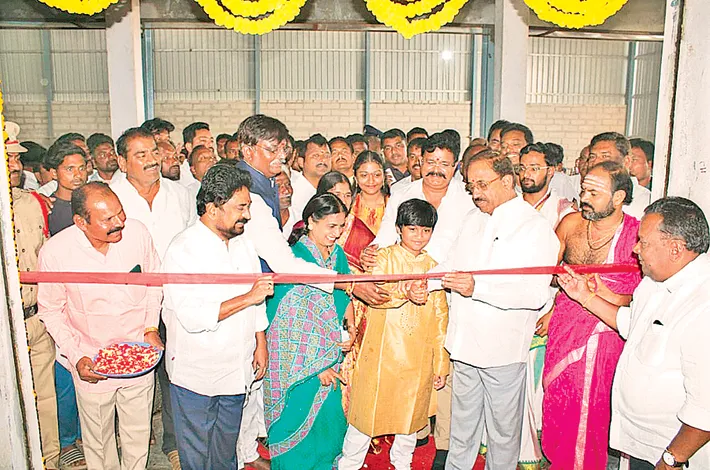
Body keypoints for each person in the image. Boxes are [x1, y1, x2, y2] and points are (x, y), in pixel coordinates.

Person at [555, 197, 710, 469]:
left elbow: (705, 407)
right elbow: (632, 324)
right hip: (640, 444)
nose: (635, 249)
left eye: (644, 242)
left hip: (673, 452)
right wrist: (584, 296)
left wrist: (672, 459)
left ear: (675, 249)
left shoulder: (702, 306)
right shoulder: (653, 283)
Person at [428, 149, 558, 470]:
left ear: (508, 181)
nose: (476, 193)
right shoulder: (472, 219)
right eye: (471, 186)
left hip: (502, 351)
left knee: (502, 434)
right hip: (463, 345)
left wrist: (477, 288)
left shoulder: (534, 228)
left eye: (483, 185)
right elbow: (450, 266)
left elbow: (534, 293)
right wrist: (425, 283)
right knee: (461, 431)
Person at [38, 182, 163, 470]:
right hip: (90, 359)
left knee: (138, 435)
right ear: (81, 222)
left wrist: (150, 328)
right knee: (98, 441)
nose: (120, 222)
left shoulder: (137, 233)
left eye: (120, 212)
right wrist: (76, 355)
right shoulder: (56, 252)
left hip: (138, 353)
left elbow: (154, 282)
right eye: (108, 219)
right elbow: (51, 311)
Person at [162, 164, 272, 470]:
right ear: (212, 208)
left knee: (225, 453)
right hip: (197, 373)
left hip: (237, 369)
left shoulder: (243, 244)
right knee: (197, 454)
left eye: (248, 207)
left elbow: (258, 300)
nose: (247, 215)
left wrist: (260, 342)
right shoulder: (183, 250)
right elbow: (191, 316)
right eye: (240, 208)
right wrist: (247, 297)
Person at [542, 161, 642, 470]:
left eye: (594, 193)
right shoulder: (570, 224)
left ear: (618, 197)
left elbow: (643, 298)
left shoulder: (636, 235)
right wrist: (558, 297)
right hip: (565, 326)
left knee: (591, 411)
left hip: (605, 335)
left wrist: (603, 293)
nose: (584, 198)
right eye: (584, 190)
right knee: (558, 399)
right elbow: (546, 273)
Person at [339, 199, 449, 470]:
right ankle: (349, 465)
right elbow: (376, 295)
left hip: (417, 359)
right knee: (365, 417)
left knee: (409, 419)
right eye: (412, 229)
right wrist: (405, 292)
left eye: (425, 231)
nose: (419, 236)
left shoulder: (434, 267)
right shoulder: (383, 258)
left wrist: (440, 363)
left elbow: (440, 318)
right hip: (381, 354)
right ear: (399, 229)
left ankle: (402, 464)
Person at [111, 126, 193, 469]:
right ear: (122, 162)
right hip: (130, 300)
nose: (151, 160)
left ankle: (173, 441)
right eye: (140, 155)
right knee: (131, 370)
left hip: (175, 296)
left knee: (174, 371)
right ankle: (132, 437)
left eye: (154, 152)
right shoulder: (111, 197)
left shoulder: (180, 194)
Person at [264, 193, 354, 470]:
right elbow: (289, 322)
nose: (337, 233)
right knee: (298, 432)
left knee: (329, 429)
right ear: (311, 222)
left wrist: (350, 327)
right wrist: (317, 367)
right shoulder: (296, 259)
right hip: (300, 366)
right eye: (331, 226)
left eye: (341, 226)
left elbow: (344, 295)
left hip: (331, 354)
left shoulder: (336, 254)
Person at [8, 148, 61, 470]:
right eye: (7, 158)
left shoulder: (33, 204)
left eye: (17, 159)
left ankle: (48, 461)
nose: (16, 165)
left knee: (45, 397)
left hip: (35, 319)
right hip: (5, 326)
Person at [587, 131, 651, 220]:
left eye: (605, 156)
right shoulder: (584, 194)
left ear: (626, 161)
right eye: (592, 157)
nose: (595, 162)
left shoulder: (646, 201)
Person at [519, 143, 575, 229]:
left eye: (534, 169)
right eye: (522, 168)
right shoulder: (510, 205)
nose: (526, 174)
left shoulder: (563, 211)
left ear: (550, 171)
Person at [44, 140, 89, 236]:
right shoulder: (48, 208)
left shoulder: (92, 202)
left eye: (82, 168)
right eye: (70, 169)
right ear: (54, 173)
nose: (78, 175)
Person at [291, 133, 331, 220]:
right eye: (315, 156)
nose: (323, 159)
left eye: (327, 155)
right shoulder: (291, 191)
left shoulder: (332, 189)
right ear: (301, 162)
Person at [180, 122, 214, 187]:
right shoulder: (180, 176)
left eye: (211, 141)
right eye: (203, 141)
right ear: (189, 146)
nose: (210, 145)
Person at [276, 166, 296, 239]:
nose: (286, 191)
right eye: (278, 186)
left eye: (288, 184)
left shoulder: (299, 219)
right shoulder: (255, 220)